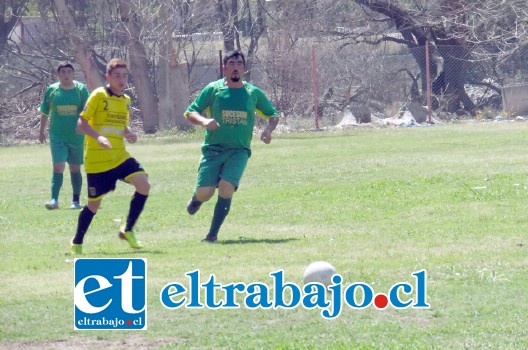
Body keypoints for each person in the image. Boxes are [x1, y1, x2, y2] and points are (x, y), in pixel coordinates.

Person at [184, 50, 280, 242]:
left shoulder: (253, 93)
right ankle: (197, 199)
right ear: (224, 68)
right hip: (213, 150)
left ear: (244, 68)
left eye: (239, 64)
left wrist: (268, 130)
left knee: (226, 188)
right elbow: (191, 112)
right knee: (205, 193)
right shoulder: (213, 89)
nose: (236, 67)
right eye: (232, 64)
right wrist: (204, 121)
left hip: (239, 151)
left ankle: (212, 235)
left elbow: (273, 114)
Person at [70, 58, 150, 255]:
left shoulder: (125, 100)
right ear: (108, 77)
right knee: (93, 205)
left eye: (124, 76)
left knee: (144, 185)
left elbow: (120, 125)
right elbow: (81, 124)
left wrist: (128, 133)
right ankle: (77, 242)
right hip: (98, 161)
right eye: (117, 76)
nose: (122, 80)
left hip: (119, 156)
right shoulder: (98, 95)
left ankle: (128, 230)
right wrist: (98, 138)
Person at [39, 61, 90, 210]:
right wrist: (41, 131)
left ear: (73, 73)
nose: (66, 75)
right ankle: (54, 201)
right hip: (57, 136)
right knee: (58, 166)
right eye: (63, 72)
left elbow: (87, 111)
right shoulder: (52, 90)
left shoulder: (81, 90)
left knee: (75, 168)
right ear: (58, 74)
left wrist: (83, 126)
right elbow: (45, 111)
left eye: (69, 72)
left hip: (76, 136)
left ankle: (76, 201)